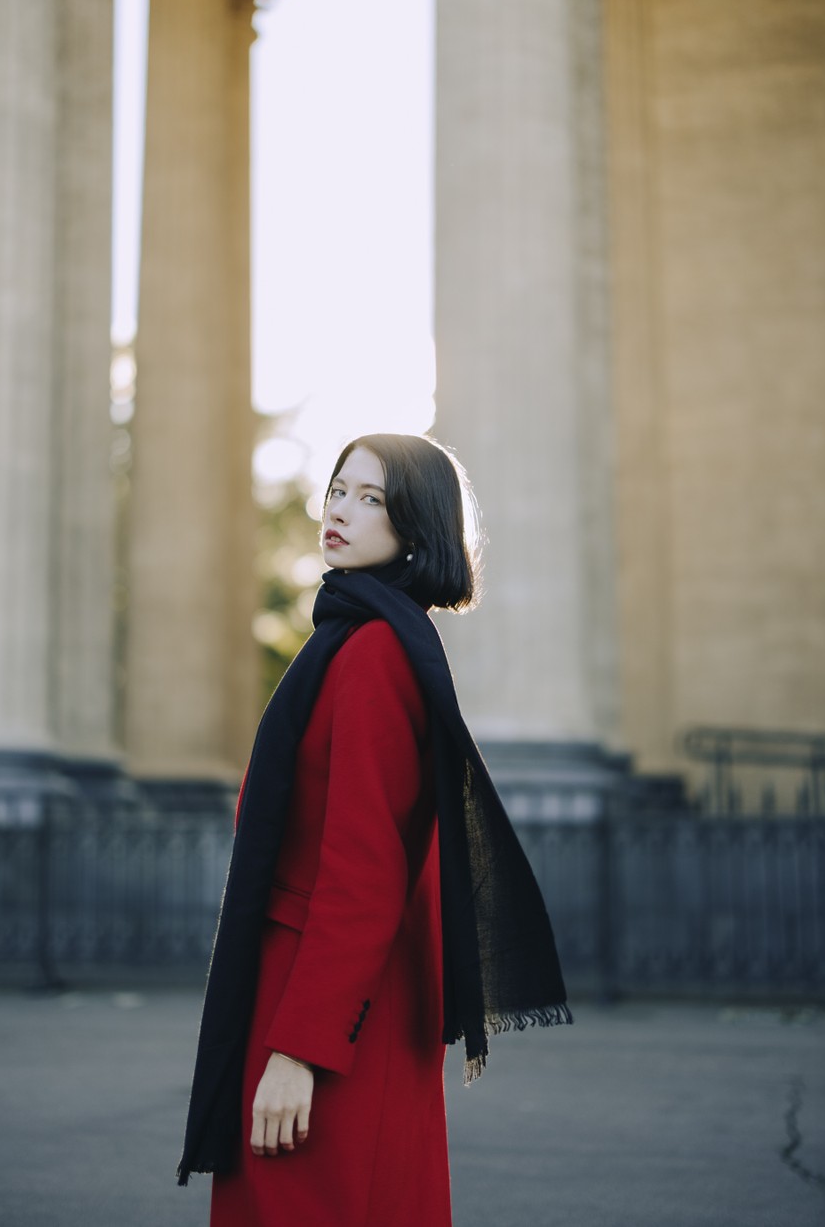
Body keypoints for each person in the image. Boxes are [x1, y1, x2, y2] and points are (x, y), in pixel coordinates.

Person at [177, 433, 571, 1226]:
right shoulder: (357, 638)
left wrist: (301, 1051)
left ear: (415, 529)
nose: (341, 510)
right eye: (338, 490)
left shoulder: (375, 653)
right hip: (329, 993)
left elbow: (367, 872)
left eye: (372, 500)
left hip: (330, 1010)